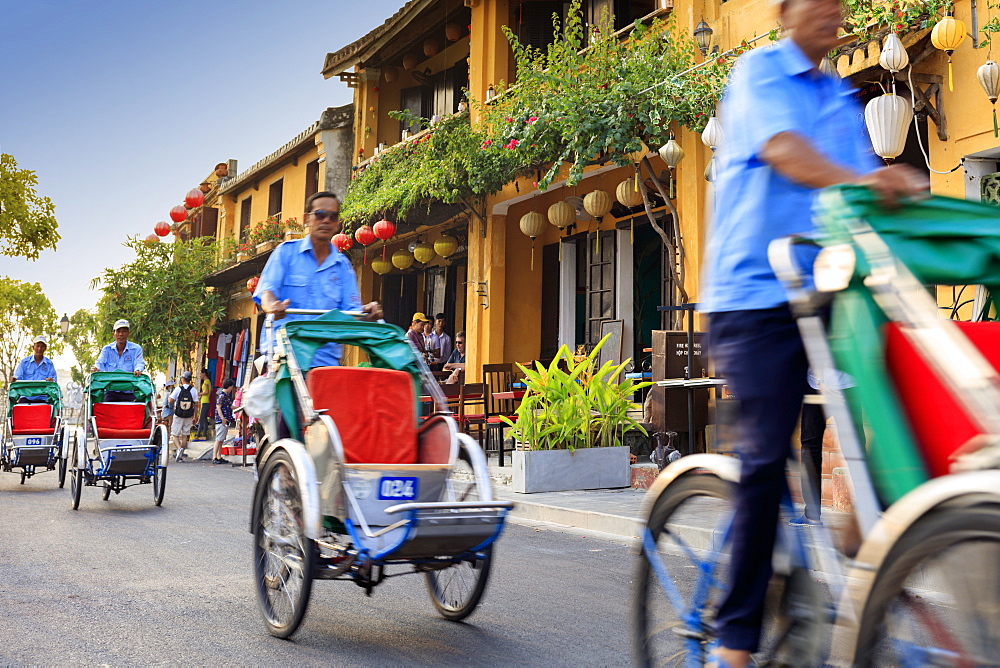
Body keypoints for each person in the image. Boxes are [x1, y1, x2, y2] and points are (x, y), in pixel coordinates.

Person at [698, 0, 928, 663]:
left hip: (826, 292)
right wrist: (871, 177)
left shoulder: (837, 97)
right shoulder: (757, 74)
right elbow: (786, 153)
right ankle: (733, 642)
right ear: (785, 12)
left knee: (902, 398)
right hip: (755, 297)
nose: (832, 12)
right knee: (765, 460)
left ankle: (864, 540)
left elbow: (864, 197)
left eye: (838, 3)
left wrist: (902, 199)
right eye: (817, 2)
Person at [253, 191, 382, 367]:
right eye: (320, 215)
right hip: (284, 355)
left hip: (325, 361)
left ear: (337, 223)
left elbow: (352, 313)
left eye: (333, 216)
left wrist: (368, 312)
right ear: (307, 219)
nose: (326, 221)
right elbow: (267, 293)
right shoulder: (286, 252)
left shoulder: (343, 266)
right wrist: (272, 306)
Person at [168, 371, 199, 462]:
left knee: (175, 434)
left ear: (182, 379)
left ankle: (179, 449)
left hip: (178, 415)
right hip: (189, 415)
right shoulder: (194, 390)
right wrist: (195, 416)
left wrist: (170, 396)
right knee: (185, 435)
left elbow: (170, 401)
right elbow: (196, 404)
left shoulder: (178, 389)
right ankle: (180, 454)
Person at [212, 378, 236, 464]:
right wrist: (222, 418)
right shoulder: (221, 396)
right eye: (231, 387)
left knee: (221, 439)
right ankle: (214, 457)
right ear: (229, 387)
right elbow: (218, 407)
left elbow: (230, 407)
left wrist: (239, 407)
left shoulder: (226, 396)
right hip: (221, 421)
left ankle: (219, 456)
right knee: (218, 439)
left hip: (225, 420)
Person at [195, 369, 213, 441]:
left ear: (204, 374)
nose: (200, 375)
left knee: (201, 419)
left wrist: (199, 393)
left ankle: (198, 435)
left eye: (201, 373)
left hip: (205, 401)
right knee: (204, 419)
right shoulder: (208, 381)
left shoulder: (206, 381)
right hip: (205, 401)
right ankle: (204, 435)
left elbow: (206, 392)